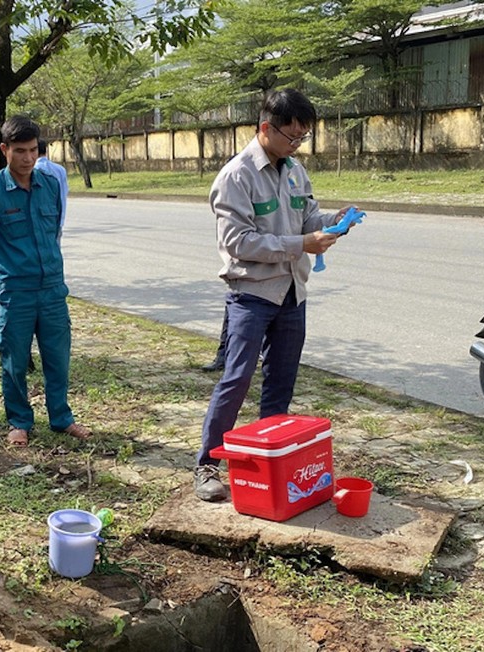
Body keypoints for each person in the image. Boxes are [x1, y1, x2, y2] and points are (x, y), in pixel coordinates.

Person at [195, 88, 358, 501]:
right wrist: (302, 244)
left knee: (281, 382)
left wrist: (333, 221)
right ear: (265, 128)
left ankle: (271, 459)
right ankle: (207, 465)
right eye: (292, 136)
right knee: (237, 380)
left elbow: (307, 217)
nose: (296, 144)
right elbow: (239, 242)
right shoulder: (237, 176)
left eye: (303, 138)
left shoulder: (294, 170)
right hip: (251, 294)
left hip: (292, 294)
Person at [0, 116, 91, 447]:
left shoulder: (50, 185)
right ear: (4, 150)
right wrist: (11, 269)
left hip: (53, 289)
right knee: (14, 359)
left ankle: (61, 418)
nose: (27, 158)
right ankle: (19, 421)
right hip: (17, 291)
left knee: (58, 357)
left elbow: (54, 231)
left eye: (33, 151)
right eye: (20, 151)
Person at [34, 138, 69, 233]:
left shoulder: (34, 170)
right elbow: (64, 193)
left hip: (39, 223)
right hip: (57, 220)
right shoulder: (60, 170)